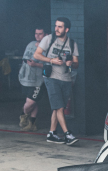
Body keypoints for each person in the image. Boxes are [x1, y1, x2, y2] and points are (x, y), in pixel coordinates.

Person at [34, 17, 79, 145]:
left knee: (58, 107)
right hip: (51, 78)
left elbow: (76, 64)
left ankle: (52, 133)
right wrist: (51, 60)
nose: (56, 29)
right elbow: (36, 55)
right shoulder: (48, 39)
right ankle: (67, 134)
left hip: (66, 79)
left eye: (60, 27)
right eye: (56, 26)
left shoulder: (72, 44)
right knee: (59, 107)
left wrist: (71, 63)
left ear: (66, 29)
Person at [18, 27, 48, 131]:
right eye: (36, 33)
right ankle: (32, 124)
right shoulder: (30, 44)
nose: (37, 36)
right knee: (33, 103)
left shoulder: (47, 48)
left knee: (30, 102)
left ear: (45, 35)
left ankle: (23, 115)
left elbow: (49, 65)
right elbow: (24, 59)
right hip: (26, 78)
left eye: (40, 34)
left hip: (38, 80)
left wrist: (36, 64)